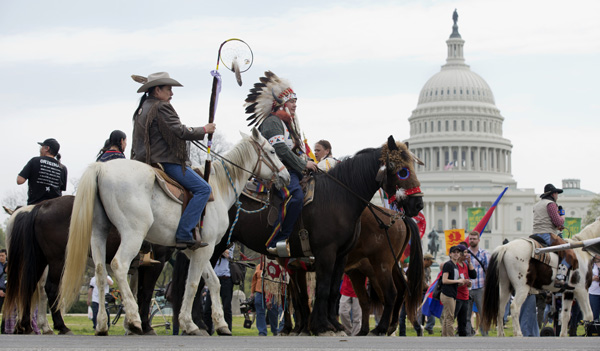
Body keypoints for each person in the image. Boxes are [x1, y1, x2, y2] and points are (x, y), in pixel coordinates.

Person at [131, 72, 216, 250]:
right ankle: (184, 233)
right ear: (157, 90)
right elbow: (180, 131)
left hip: (143, 160)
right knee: (203, 189)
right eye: (169, 89)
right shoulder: (162, 106)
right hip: (164, 161)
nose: (172, 93)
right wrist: (204, 129)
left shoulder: (142, 108)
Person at [244, 71, 318, 255]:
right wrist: (303, 166)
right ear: (281, 104)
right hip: (277, 172)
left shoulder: (287, 125)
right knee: (296, 196)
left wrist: (307, 161)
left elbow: (293, 150)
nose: (295, 105)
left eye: (295, 102)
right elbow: (280, 151)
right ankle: (279, 239)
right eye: (292, 102)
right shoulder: (273, 122)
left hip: (291, 169)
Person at [531, 183, 578, 288]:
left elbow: (546, 221)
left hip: (534, 233)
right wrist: (563, 216)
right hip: (547, 234)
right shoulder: (551, 204)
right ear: (553, 194)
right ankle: (560, 278)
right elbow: (558, 222)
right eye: (557, 193)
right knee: (569, 252)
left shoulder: (537, 205)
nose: (557, 196)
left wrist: (557, 226)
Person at [17, 138, 68, 205]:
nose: (40, 149)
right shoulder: (63, 168)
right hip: (55, 208)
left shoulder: (35, 161)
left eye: (42, 147)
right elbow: (60, 190)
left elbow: (19, 181)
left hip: (35, 207)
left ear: (47, 148)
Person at [203, 246, 234, 334]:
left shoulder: (229, 243)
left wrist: (220, 251)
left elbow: (228, 255)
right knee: (207, 308)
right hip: (213, 279)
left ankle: (228, 330)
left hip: (226, 279)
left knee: (226, 307)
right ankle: (208, 330)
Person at [440, 245, 468, 337]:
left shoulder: (455, 266)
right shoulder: (448, 264)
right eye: (454, 252)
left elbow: (453, 281)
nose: (456, 254)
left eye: (458, 252)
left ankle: (445, 337)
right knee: (450, 318)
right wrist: (458, 281)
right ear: (450, 254)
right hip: (447, 294)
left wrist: (462, 282)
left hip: (452, 293)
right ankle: (451, 338)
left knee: (447, 317)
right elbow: (444, 280)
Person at [467, 230, 490, 336]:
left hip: (481, 287)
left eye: (474, 239)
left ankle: (485, 334)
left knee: (483, 313)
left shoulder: (485, 254)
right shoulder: (465, 254)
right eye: (470, 238)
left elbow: (489, 271)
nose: (472, 240)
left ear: (478, 240)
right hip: (468, 288)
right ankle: (467, 334)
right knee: (466, 314)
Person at [251, 260, 279, 336]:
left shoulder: (274, 265)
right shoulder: (259, 267)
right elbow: (254, 280)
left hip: (271, 292)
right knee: (260, 312)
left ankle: (274, 329)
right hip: (260, 292)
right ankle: (262, 331)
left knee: (273, 312)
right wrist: (252, 292)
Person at [455, 244, 476, 336]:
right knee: (452, 318)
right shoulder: (454, 265)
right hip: (456, 295)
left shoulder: (465, 264)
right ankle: (447, 336)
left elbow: (473, 275)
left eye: (467, 253)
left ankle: (462, 336)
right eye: (465, 253)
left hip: (465, 295)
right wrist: (461, 281)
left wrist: (470, 262)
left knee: (463, 320)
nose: (466, 255)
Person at [422, 253, 436, 334]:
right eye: (430, 262)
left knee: (431, 308)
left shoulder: (428, 269)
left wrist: (431, 284)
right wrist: (430, 288)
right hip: (420, 292)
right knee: (421, 311)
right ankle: (420, 326)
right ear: (426, 260)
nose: (431, 264)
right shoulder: (420, 268)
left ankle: (429, 326)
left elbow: (429, 278)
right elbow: (422, 282)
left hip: (427, 291)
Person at [590, 254, 600, 321]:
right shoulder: (591, 265)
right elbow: (585, 278)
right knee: (595, 314)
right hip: (593, 292)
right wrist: (593, 278)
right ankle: (595, 330)